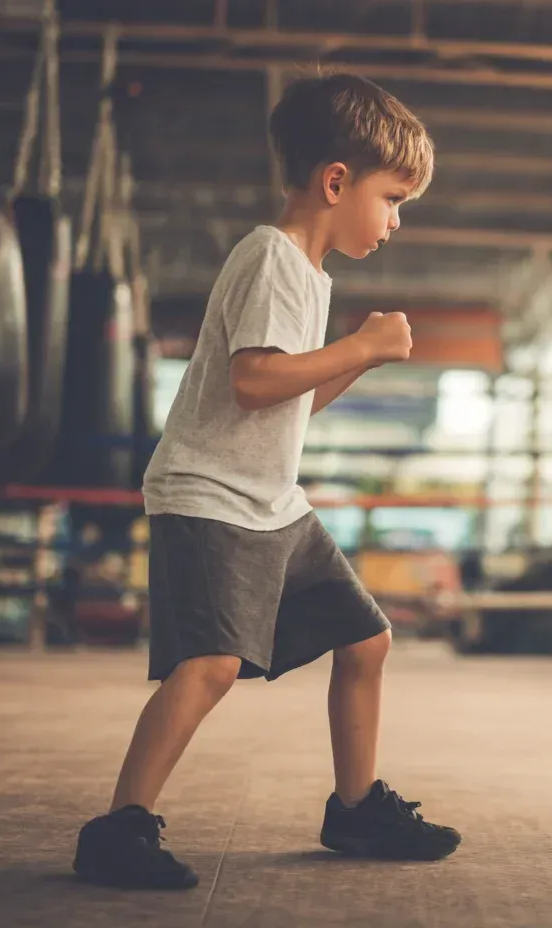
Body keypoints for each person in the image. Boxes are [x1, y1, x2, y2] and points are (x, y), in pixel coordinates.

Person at [72, 73, 461, 890]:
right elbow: (253, 382)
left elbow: (291, 398)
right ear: (335, 181)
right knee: (210, 665)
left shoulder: (310, 276)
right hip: (211, 495)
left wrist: (352, 354)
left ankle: (354, 809)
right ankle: (119, 828)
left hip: (272, 504)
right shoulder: (269, 256)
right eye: (393, 198)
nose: (395, 221)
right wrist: (363, 347)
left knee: (366, 638)